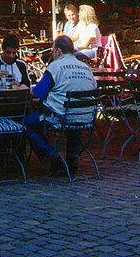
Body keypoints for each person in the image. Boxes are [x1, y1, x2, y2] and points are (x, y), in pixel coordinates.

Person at [24, 35, 97, 175]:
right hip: (85, 118)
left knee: (27, 124)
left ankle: (53, 156)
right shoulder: (86, 68)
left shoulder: (55, 67)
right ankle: (73, 158)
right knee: (74, 118)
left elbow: (38, 92)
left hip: (60, 117)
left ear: (57, 51)